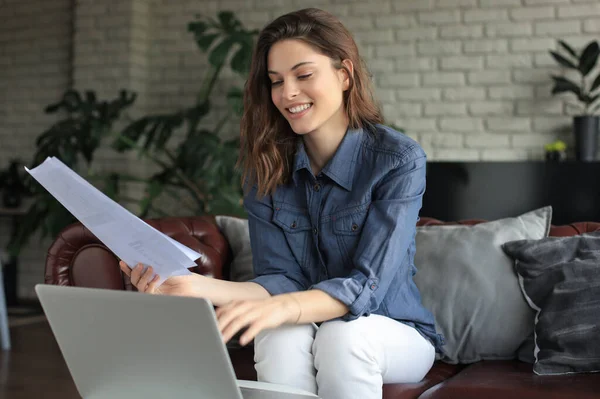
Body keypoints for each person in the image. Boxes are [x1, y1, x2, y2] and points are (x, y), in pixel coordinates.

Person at [120, 8, 444, 399]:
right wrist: (194, 287)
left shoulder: (398, 160)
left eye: (303, 75)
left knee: (343, 337)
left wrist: (284, 307)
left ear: (344, 74)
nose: (287, 93)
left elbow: (366, 287)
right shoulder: (267, 170)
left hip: (393, 329)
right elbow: (279, 280)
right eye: (276, 81)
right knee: (277, 336)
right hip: (312, 325)